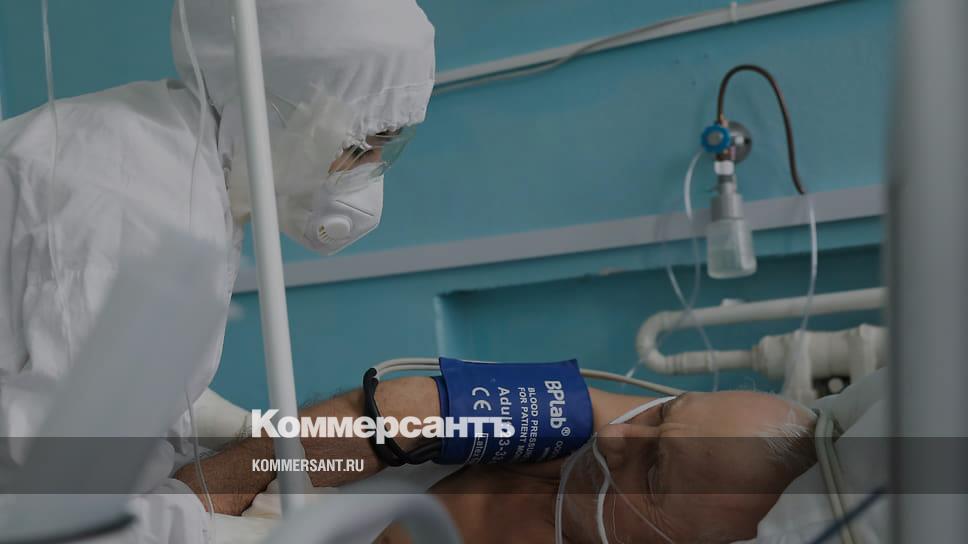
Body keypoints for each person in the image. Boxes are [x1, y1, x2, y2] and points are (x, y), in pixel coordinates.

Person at [0, 0, 434, 541]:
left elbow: (113, 382)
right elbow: (57, 516)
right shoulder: (144, 210)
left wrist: (245, 432)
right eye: (357, 146)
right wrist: (244, 528)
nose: (366, 173)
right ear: (277, 107)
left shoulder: (166, 147)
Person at [176, 376, 817, 543]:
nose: (618, 437)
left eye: (653, 471)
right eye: (662, 411)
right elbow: (401, 415)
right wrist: (193, 499)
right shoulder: (584, 421)